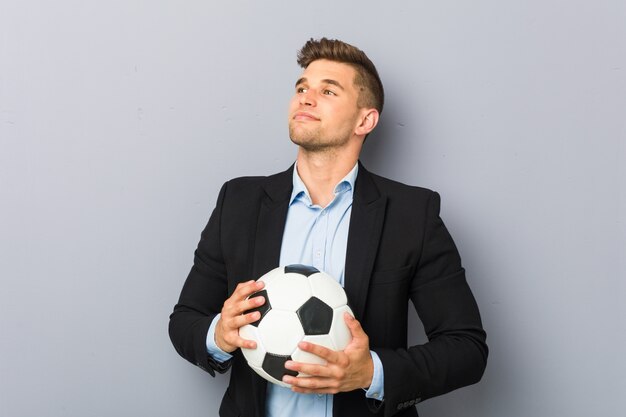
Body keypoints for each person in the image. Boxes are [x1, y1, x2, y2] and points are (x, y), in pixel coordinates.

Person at [169, 37, 488, 417]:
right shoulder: (238, 202)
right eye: (302, 88)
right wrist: (219, 335)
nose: (305, 97)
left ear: (364, 120)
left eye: (328, 91)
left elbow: (467, 348)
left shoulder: (412, 214)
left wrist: (371, 372)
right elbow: (185, 320)